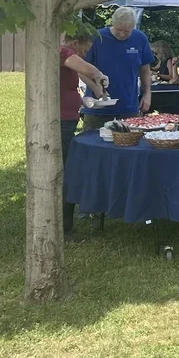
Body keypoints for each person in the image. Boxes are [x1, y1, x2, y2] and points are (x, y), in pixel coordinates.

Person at [59, 30, 108, 237]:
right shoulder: (63, 52)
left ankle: (66, 223)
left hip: (69, 118)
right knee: (67, 170)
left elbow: (78, 73)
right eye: (85, 50)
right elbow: (82, 67)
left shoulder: (68, 58)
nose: (85, 55)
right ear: (76, 43)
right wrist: (99, 74)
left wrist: (96, 90)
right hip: (61, 122)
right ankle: (65, 227)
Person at [81, 7, 155, 129]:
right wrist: (95, 88)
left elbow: (145, 69)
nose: (121, 34)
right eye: (118, 30)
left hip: (128, 107)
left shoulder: (140, 39)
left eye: (127, 31)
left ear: (133, 27)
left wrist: (147, 93)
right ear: (113, 23)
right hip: (97, 107)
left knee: (129, 143)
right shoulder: (97, 37)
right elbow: (81, 69)